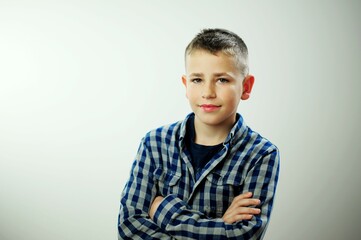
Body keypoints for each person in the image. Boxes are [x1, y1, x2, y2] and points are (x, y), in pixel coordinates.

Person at [118, 28, 280, 239]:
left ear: (246, 87)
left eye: (222, 80)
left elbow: (243, 235)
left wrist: (163, 211)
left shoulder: (261, 155)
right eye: (197, 80)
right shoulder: (154, 143)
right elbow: (129, 226)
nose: (208, 93)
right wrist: (221, 225)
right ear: (186, 85)